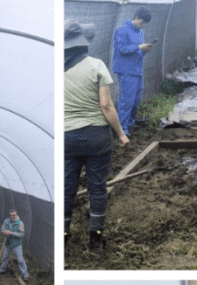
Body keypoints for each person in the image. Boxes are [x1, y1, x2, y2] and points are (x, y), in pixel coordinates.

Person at [64, 19, 128, 249]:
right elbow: (106, 105)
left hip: (67, 139)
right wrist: (120, 133)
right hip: (97, 137)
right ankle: (95, 239)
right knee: (97, 188)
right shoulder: (96, 65)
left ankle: (64, 237)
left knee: (67, 189)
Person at [112, 8, 153, 136]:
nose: (143, 25)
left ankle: (129, 126)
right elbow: (121, 49)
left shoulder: (140, 33)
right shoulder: (121, 30)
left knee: (136, 101)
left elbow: (136, 51)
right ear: (135, 17)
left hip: (137, 70)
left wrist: (143, 50)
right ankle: (122, 130)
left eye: (145, 23)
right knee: (126, 101)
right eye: (142, 22)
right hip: (126, 71)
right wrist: (139, 47)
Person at [0, 209, 29, 280]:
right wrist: (5, 232)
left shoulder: (20, 223)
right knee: (4, 258)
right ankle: (2, 270)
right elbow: (2, 230)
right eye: (10, 215)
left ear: (16, 215)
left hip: (16, 244)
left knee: (20, 259)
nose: (12, 216)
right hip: (7, 243)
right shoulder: (6, 221)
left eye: (13, 215)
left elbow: (21, 234)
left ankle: (25, 274)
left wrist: (11, 233)